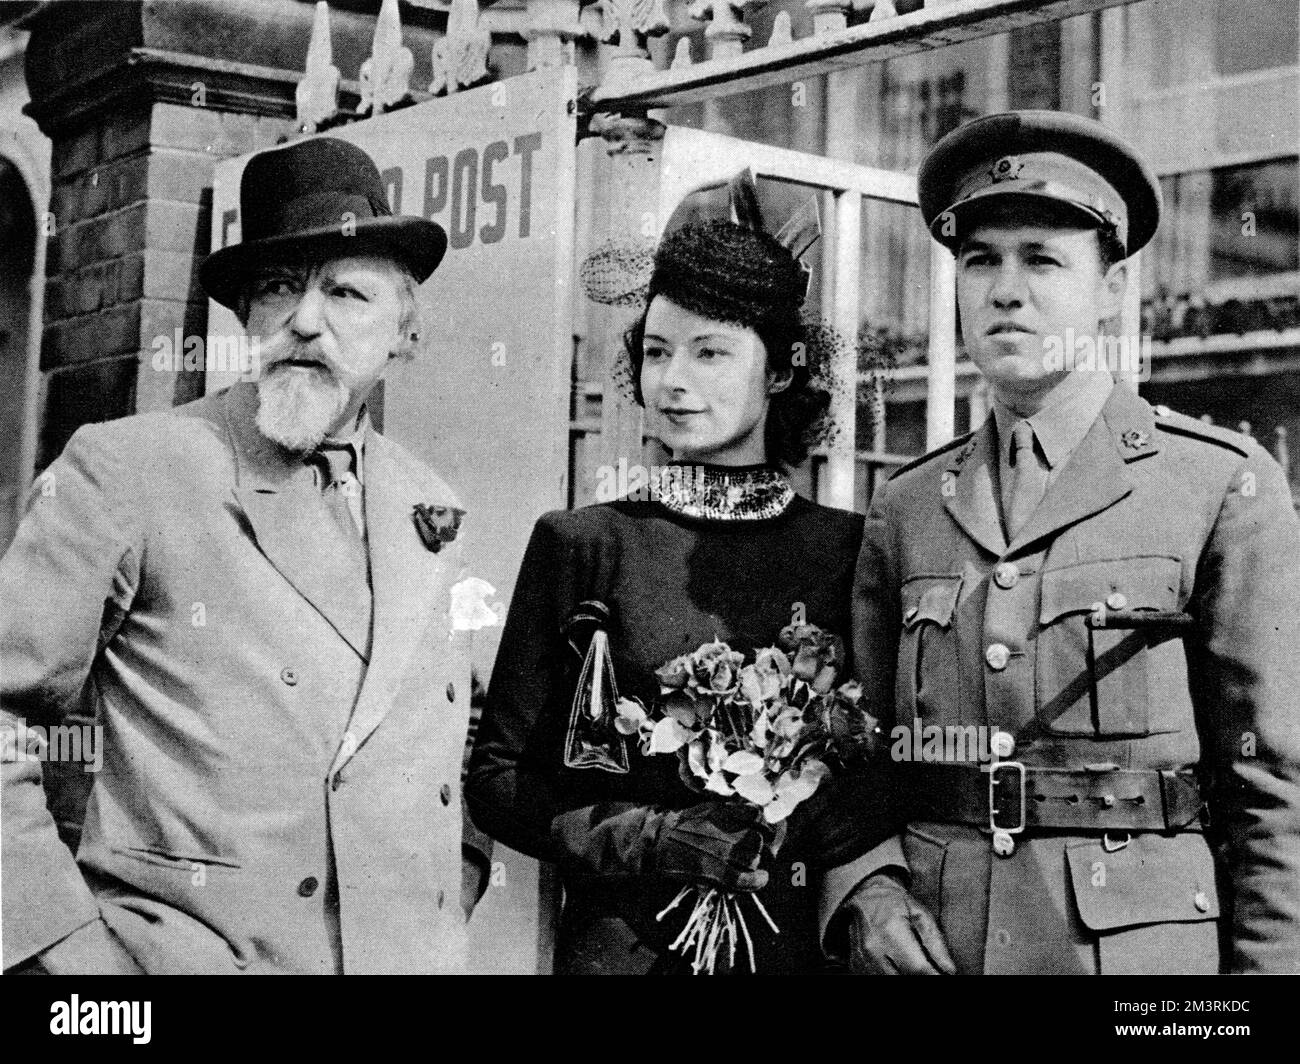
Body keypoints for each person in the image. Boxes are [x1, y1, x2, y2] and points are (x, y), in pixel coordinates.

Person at [824, 110, 1300, 975]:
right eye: (980, 261)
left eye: (1042, 258)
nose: (1005, 289)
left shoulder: (1217, 485)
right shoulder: (907, 506)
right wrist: (867, 885)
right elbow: (858, 753)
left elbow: (1276, 789)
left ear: (1112, 287)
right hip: (939, 948)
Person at [0, 136, 489, 974]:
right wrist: (66, 948)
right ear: (246, 318)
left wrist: (456, 879)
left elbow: (461, 733)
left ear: (404, 333)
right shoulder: (135, 468)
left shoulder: (428, 504)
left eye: (344, 292)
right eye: (277, 288)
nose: (304, 320)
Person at [466, 218, 889, 974]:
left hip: (795, 949)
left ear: (784, 369)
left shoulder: (850, 549)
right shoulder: (583, 543)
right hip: (619, 950)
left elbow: (880, 770)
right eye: (656, 353)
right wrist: (652, 838)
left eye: (710, 352)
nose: (672, 381)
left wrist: (781, 824)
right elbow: (500, 782)